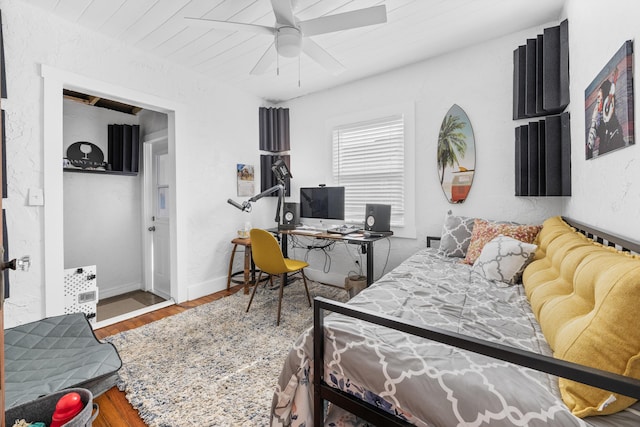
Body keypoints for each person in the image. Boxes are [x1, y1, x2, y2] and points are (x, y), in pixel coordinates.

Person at [586, 67, 624, 157]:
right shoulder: (600, 123)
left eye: (600, 100)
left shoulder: (615, 131)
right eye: (597, 101)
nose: (598, 104)